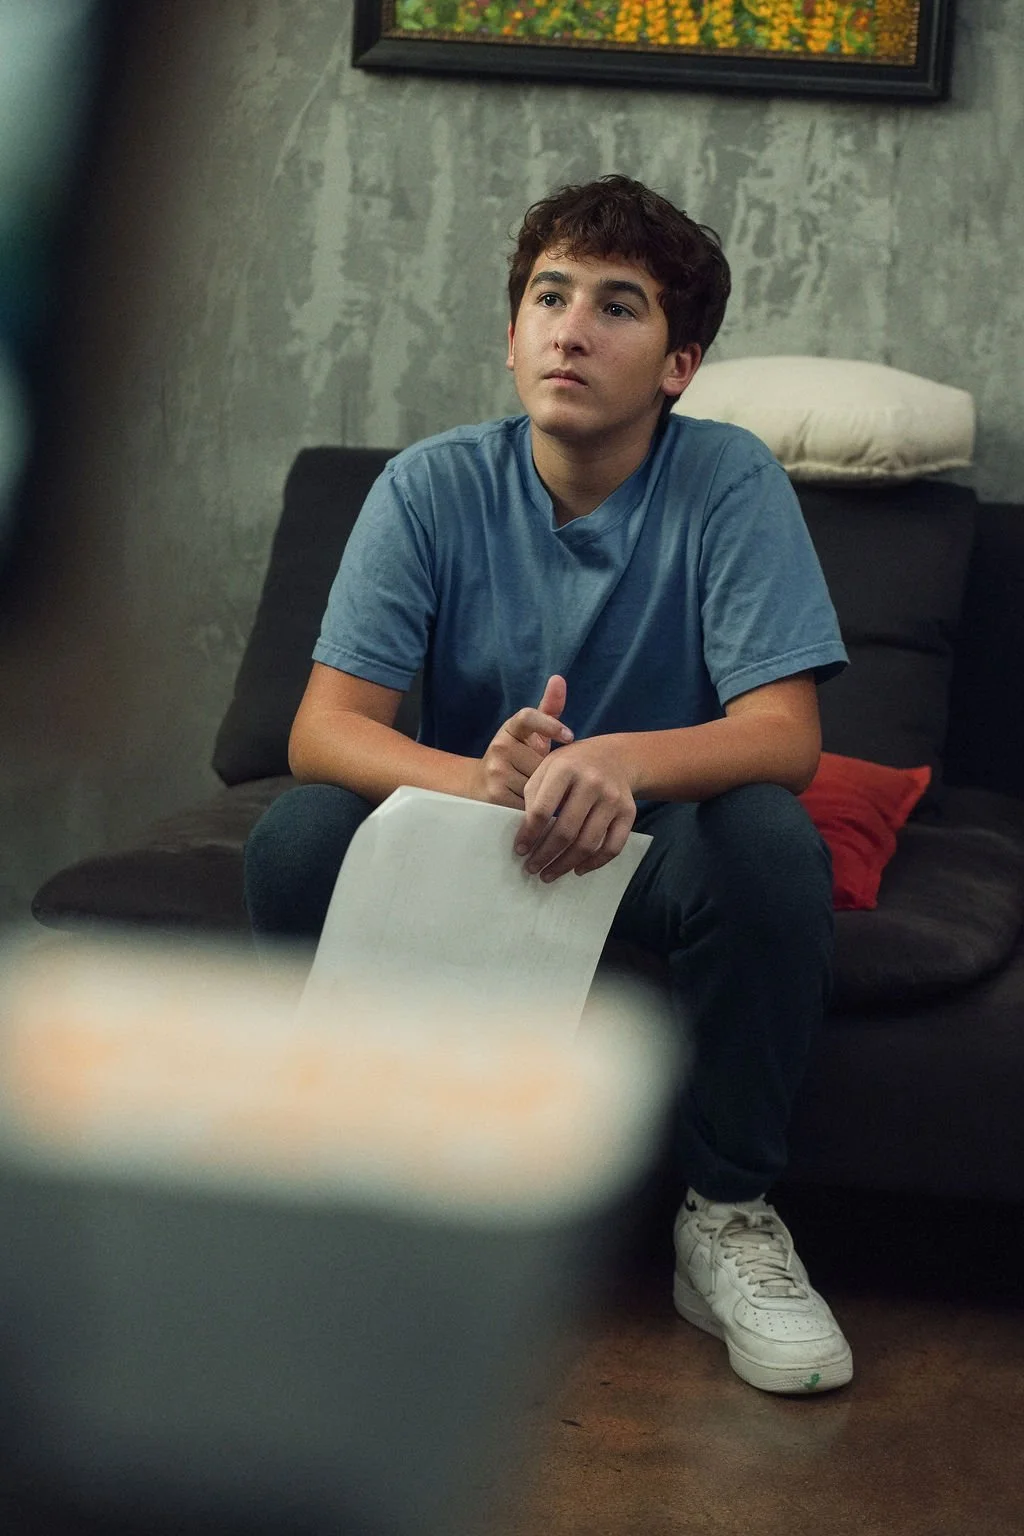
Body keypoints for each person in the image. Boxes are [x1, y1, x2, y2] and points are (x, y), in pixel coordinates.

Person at [244, 174, 852, 1395]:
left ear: (679, 365)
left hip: (655, 850)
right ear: (510, 333)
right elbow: (324, 730)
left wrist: (615, 759)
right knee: (299, 836)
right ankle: (368, 1192)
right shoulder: (428, 485)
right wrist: (482, 780)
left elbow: (784, 734)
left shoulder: (729, 480)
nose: (572, 329)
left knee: (772, 841)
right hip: (483, 838)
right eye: (548, 296)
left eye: (617, 308)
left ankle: (726, 1216)